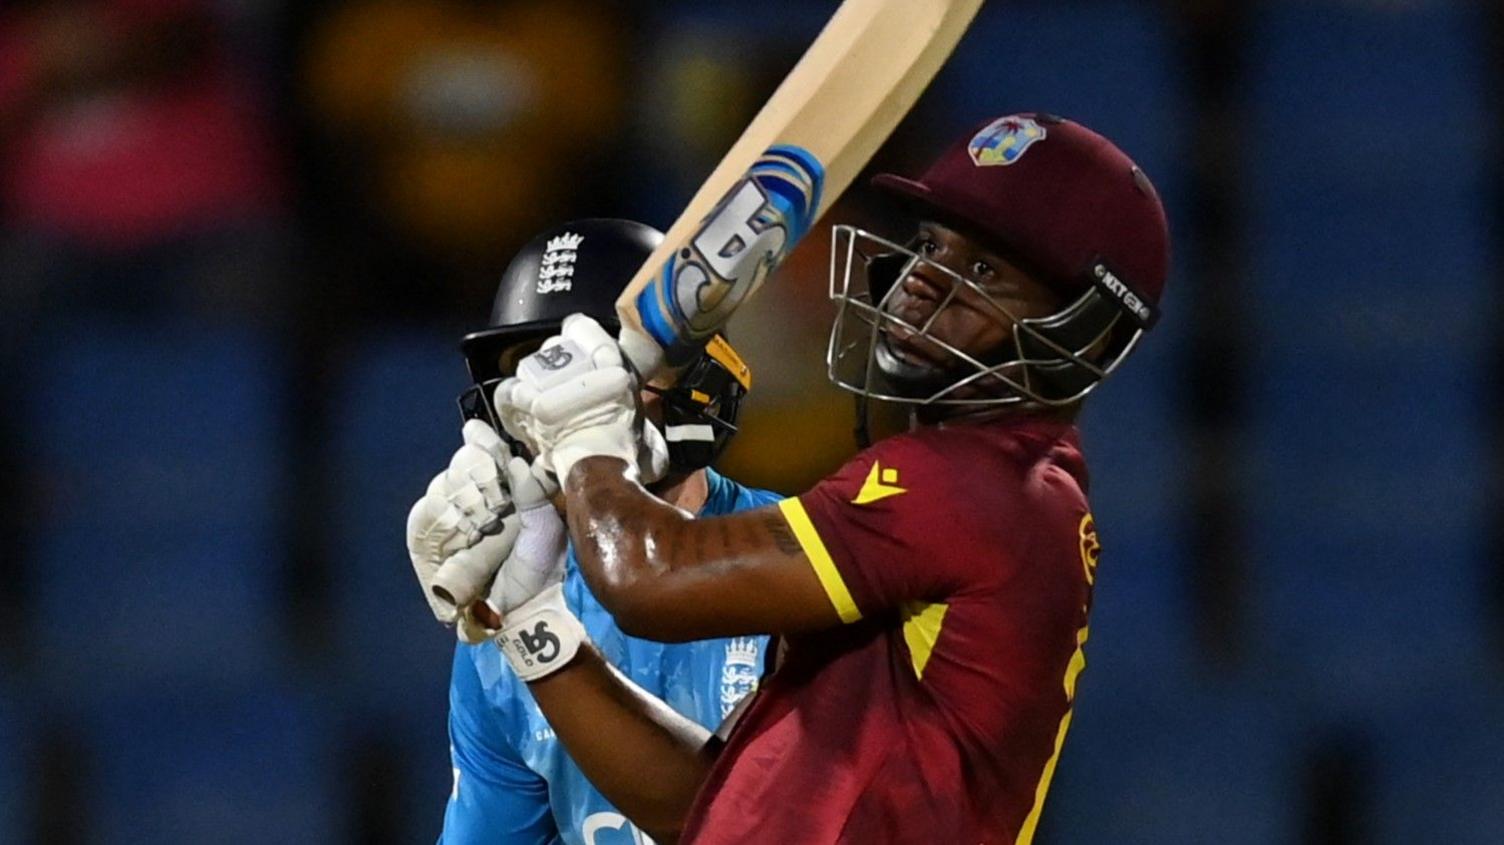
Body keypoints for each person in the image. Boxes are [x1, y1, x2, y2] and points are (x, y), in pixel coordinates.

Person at [468, 114, 1170, 843]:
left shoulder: (974, 487)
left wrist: (586, 434)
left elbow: (648, 578)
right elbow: (704, 808)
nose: (923, 277)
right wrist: (532, 619)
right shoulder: (977, 490)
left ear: (1089, 328)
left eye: (985, 270)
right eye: (930, 244)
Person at [404, 219, 780, 845]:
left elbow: (749, 824)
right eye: (534, 373)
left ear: (696, 377)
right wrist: (523, 623)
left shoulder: (807, 560)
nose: (555, 404)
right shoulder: (498, 626)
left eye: (589, 370)